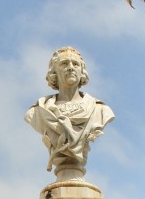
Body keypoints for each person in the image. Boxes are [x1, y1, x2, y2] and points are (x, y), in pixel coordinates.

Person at [25, 47, 115, 179]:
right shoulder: (38, 111)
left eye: (75, 64)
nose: (71, 68)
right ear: (53, 72)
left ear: (82, 71)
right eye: (64, 64)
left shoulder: (100, 110)